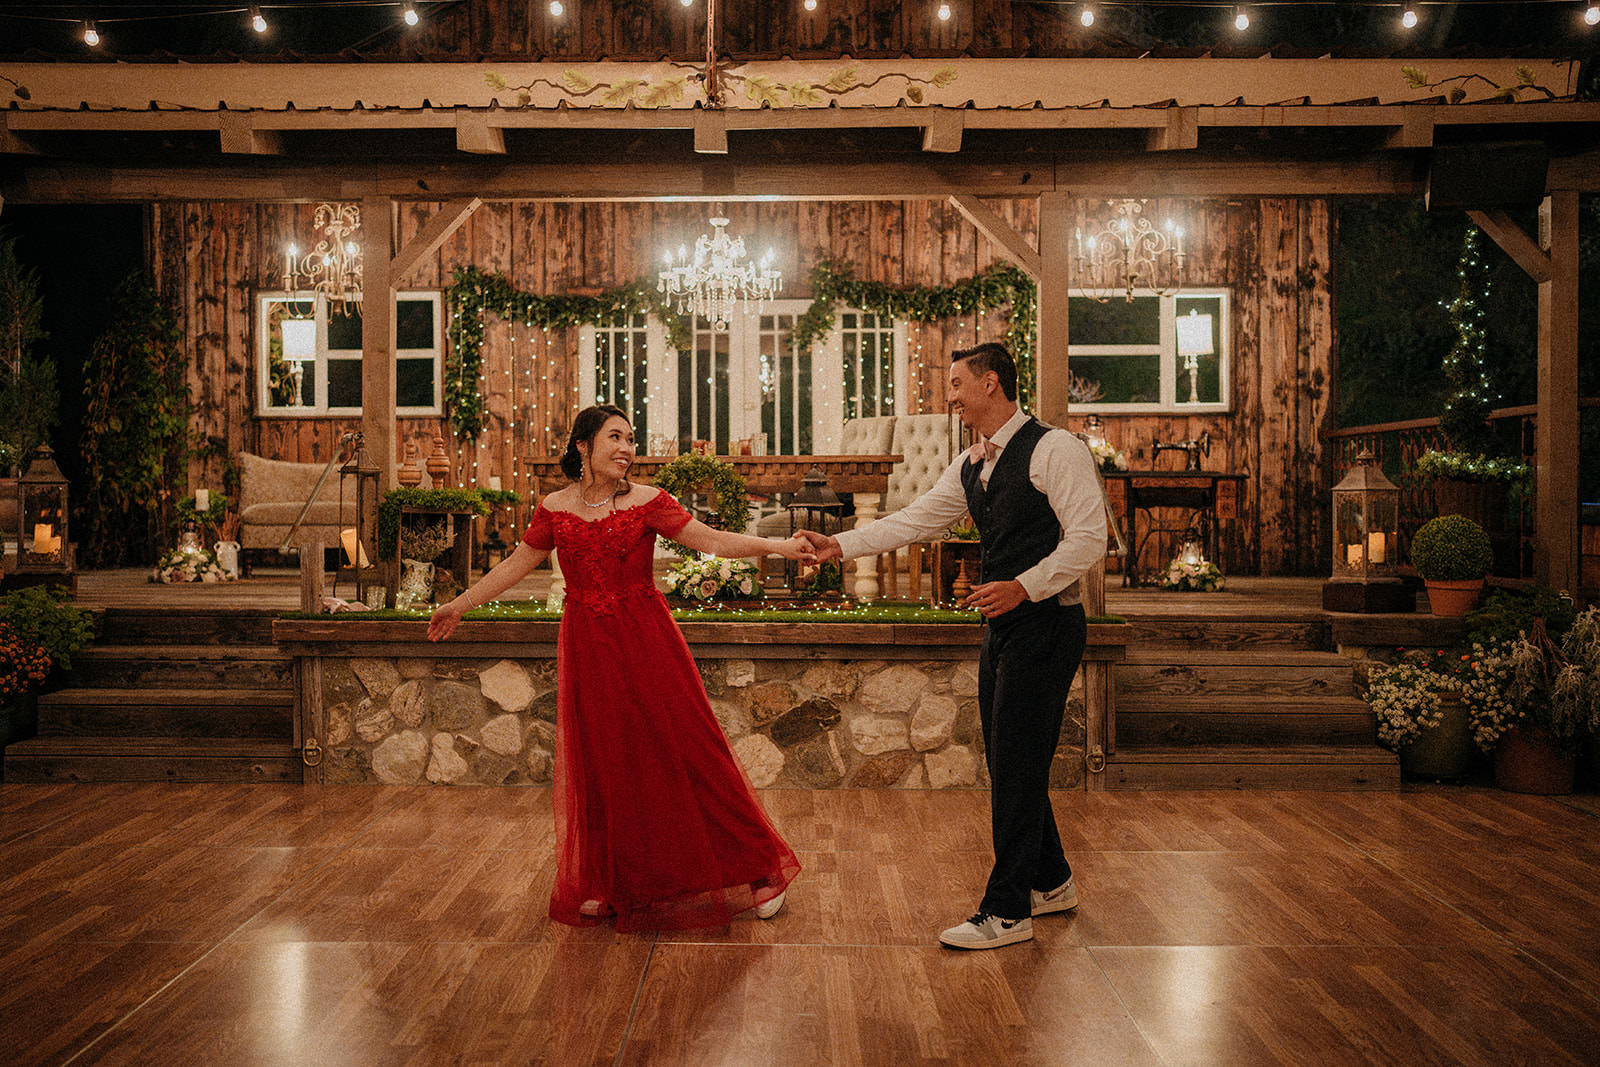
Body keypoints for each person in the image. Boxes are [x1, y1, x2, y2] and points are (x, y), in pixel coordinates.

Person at [428, 404, 811, 931]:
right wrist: (458, 605)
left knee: (691, 751)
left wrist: (780, 546)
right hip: (587, 644)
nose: (627, 448)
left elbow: (714, 541)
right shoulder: (554, 508)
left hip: (647, 641)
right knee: (607, 763)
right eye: (615, 438)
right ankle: (619, 882)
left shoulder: (649, 502)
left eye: (631, 439)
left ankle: (762, 870)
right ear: (583, 446)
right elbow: (516, 565)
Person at [801, 343, 1106, 951]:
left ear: (991, 384)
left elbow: (1090, 538)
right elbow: (914, 520)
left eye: (957, 384)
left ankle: (1007, 909)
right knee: (1006, 760)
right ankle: (1052, 880)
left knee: (1016, 765)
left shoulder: (1055, 450)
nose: (951, 396)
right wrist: (841, 546)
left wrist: (1024, 585)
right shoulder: (971, 463)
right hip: (1005, 627)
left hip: (1048, 626)